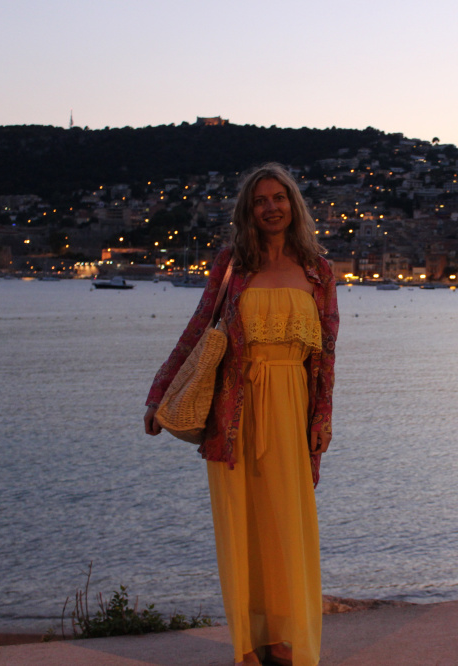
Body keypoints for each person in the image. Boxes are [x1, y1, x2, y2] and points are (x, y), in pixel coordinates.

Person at [144, 163, 338, 666]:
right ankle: (248, 646)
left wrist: (322, 419)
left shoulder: (319, 270)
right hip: (235, 408)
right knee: (241, 526)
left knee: (286, 526)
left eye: (279, 198)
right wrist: (159, 394)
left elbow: (327, 353)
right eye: (260, 200)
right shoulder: (231, 264)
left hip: (292, 408)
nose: (271, 207)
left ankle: (282, 635)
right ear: (248, 210)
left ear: (293, 204)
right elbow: (197, 328)